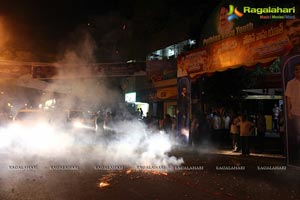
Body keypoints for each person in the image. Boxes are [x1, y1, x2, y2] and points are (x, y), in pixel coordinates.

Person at [285, 63, 300, 163]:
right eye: (296, 69)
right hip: (295, 113)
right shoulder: (290, 83)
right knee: (298, 134)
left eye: (299, 69)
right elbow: (288, 99)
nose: (298, 71)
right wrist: (289, 112)